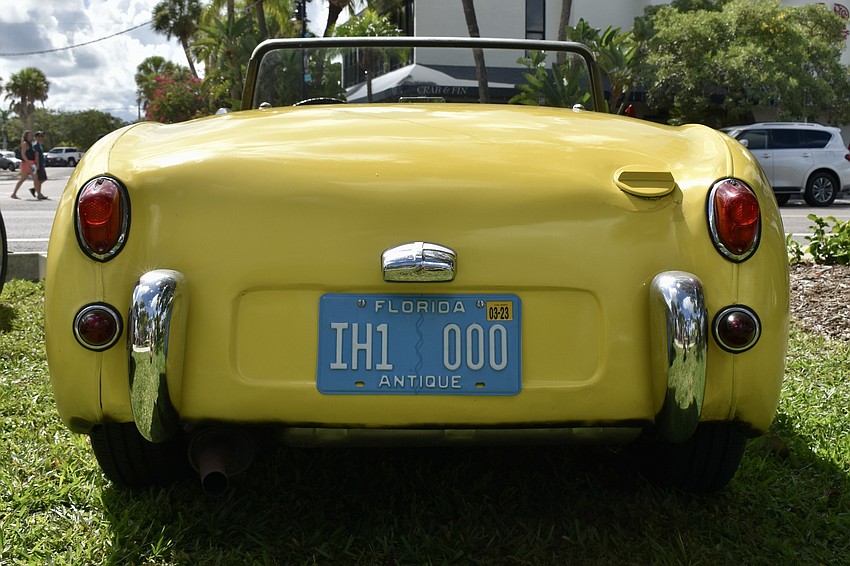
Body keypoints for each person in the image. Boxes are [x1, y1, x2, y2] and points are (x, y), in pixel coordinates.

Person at [10, 130, 36, 199]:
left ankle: (35, 190)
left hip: (31, 163)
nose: (31, 136)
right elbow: (23, 154)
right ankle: (14, 193)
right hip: (26, 163)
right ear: (26, 136)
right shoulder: (25, 143)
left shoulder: (31, 143)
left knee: (34, 178)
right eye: (29, 135)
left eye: (31, 135)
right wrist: (28, 162)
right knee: (24, 179)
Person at [32, 131, 48, 200]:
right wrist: (37, 165)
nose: (42, 137)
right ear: (36, 137)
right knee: (39, 179)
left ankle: (34, 189)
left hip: (41, 164)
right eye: (40, 136)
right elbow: (36, 155)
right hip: (38, 164)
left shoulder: (39, 145)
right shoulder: (36, 145)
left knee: (43, 178)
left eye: (42, 136)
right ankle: (39, 194)